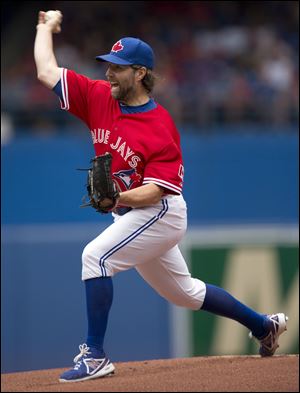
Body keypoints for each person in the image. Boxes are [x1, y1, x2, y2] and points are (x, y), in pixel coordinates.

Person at [34, 10, 288, 384]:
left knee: (95, 257)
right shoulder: (97, 96)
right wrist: (45, 27)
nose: (108, 73)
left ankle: (95, 356)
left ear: (140, 73)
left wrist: (118, 194)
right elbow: (45, 70)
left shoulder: (160, 125)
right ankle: (264, 326)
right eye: (107, 65)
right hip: (131, 215)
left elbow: (157, 190)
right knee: (185, 293)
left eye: (118, 67)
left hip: (161, 213)